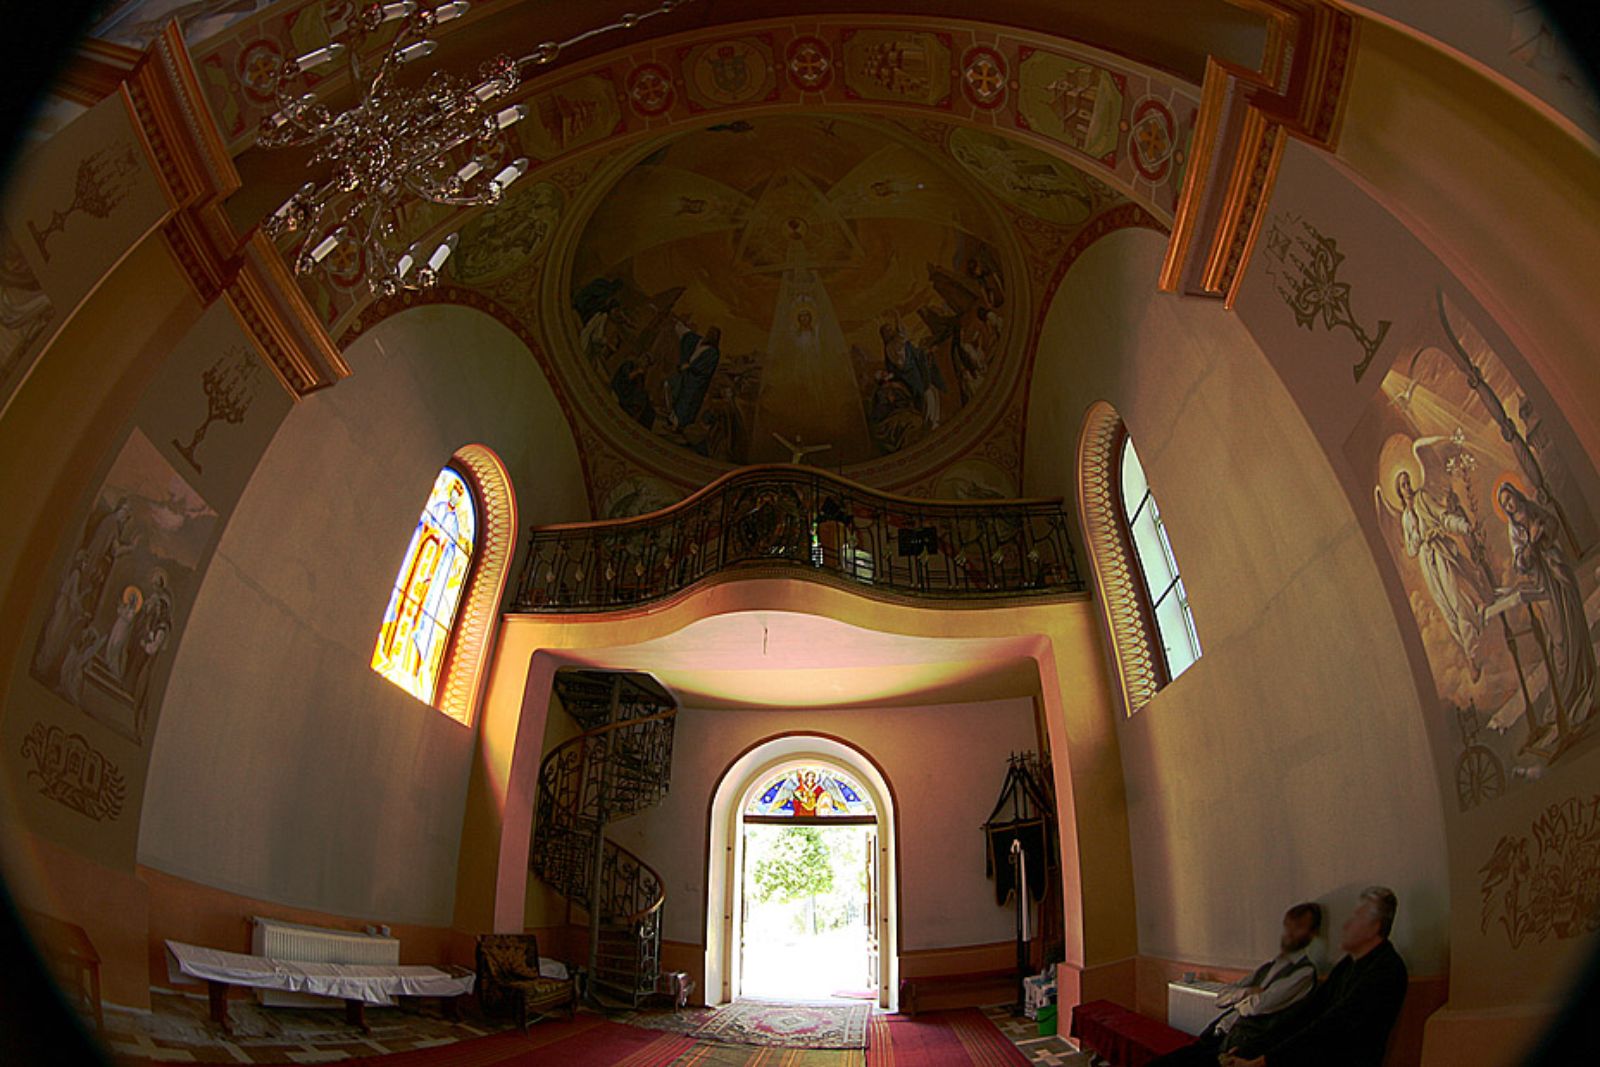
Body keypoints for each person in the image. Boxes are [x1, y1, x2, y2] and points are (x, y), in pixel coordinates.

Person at [1222, 887, 1409, 1067]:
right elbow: (1307, 1013)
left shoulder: (1386, 970)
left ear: (1374, 927)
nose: (1346, 925)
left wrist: (1263, 1061)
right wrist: (1252, 1049)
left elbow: (1332, 1027)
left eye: (1356, 917)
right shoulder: (1348, 964)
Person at [1148, 903, 1322, 1066]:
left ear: (1312, 933)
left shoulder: (1304, 973)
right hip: (1218, 1032)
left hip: (1239, 1045)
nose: (1290, 933)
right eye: (1289, 926)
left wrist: (1240, 998)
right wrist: (1248, 992)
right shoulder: (1269, 967)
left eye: (1298, 927)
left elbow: (1257, 1006)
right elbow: (1221, 998)